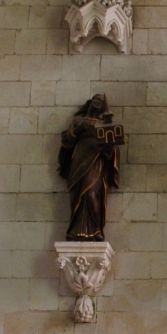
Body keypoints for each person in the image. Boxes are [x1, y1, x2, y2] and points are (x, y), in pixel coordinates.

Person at [57, 93, 121, 241]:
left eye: (100, 101)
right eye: (95, 99)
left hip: (96, 163)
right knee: (78, 194)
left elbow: (112, 151)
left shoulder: (104, 125)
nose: (97, 102)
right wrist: (78, 129)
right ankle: (74, 230)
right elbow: (66, 141)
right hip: (79, 160)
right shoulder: (78, 121)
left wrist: (108, 147)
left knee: (92, 193)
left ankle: (94, 229)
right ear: (90, 103)